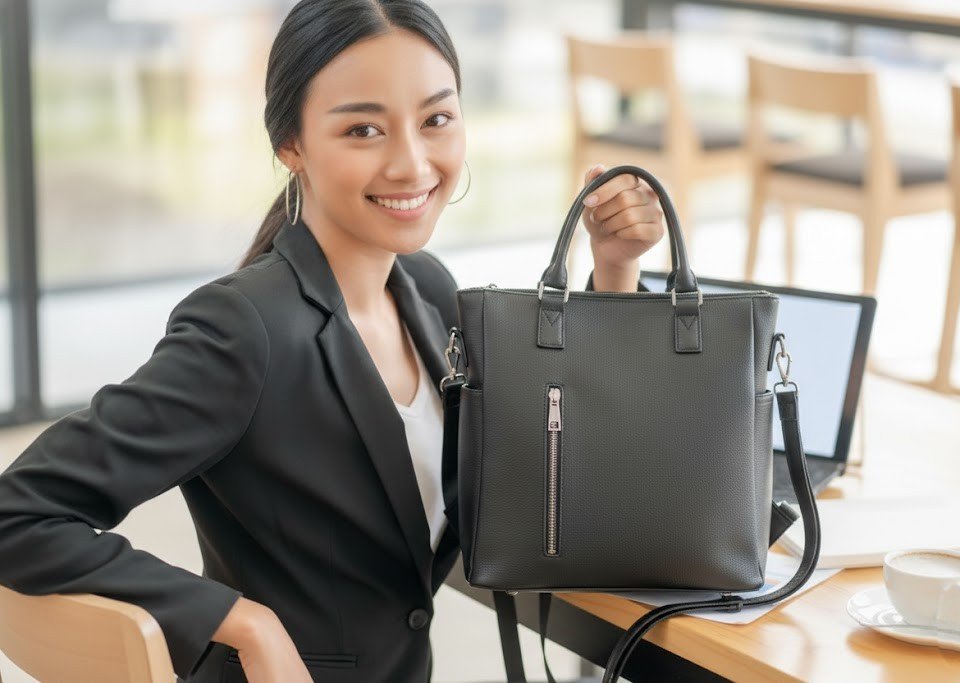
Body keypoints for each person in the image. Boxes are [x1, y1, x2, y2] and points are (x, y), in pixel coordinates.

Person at [0, 1, 666, 681]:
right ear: (292, 144)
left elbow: (548, 482)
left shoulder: (428, 293)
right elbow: (16, 513)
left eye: (435, 119)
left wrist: (615, 266)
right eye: (363, 129)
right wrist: (245, 622)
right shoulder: (243, 333)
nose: (411, 164)